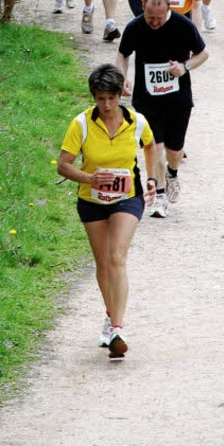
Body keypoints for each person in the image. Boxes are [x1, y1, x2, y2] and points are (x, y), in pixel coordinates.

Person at [57, 63, 158, 358]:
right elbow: (63, 164)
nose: (106, 105)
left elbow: (150, 146)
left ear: (119, 95)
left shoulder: (136, 121)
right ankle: (110, 315)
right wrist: (89, 178)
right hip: (91, 199)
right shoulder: (82, 124)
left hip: (128, 197)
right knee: (102, 263)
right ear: (94, 97)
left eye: (111, 98)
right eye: (100, 99)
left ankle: (117, 327)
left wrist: (152, 179)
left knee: (117, 256)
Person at [117, 0, 208, 218]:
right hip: (147, 98)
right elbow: (122, 54)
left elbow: (203, 53)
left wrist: (184, 66)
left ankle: (172, 174)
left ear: (168, 10)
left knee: (174, 150)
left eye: (159, 18)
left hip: (178, 99)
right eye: (150, 18)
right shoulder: (135, 27)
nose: (154, 23)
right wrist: (122, 77)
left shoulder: (183, 25)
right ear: (143, 7)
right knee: (154, 147)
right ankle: (158, 196)